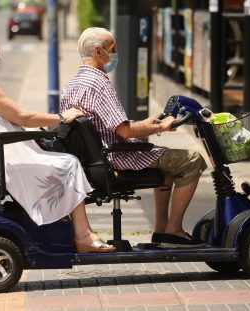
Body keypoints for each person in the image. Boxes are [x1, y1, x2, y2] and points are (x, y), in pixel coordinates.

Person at [0, 32, 115, 253]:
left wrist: (30, 129)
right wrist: (61, 118)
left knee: (61, 161)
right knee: (69, 163)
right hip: (5, 158)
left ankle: (70, 230)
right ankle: (83, 235)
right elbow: (24, 117)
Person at [60, 27, 208, 248]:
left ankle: (161, 233)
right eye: (113, 49)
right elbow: (125, 130)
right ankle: (174, 230)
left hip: (92, 161)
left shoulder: (70, 85)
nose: (115, 54)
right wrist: (159, 126)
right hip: (116, 158)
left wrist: (151, 124)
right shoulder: (99, 83)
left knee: (168, 166)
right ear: (99, 52)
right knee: (194, 160)